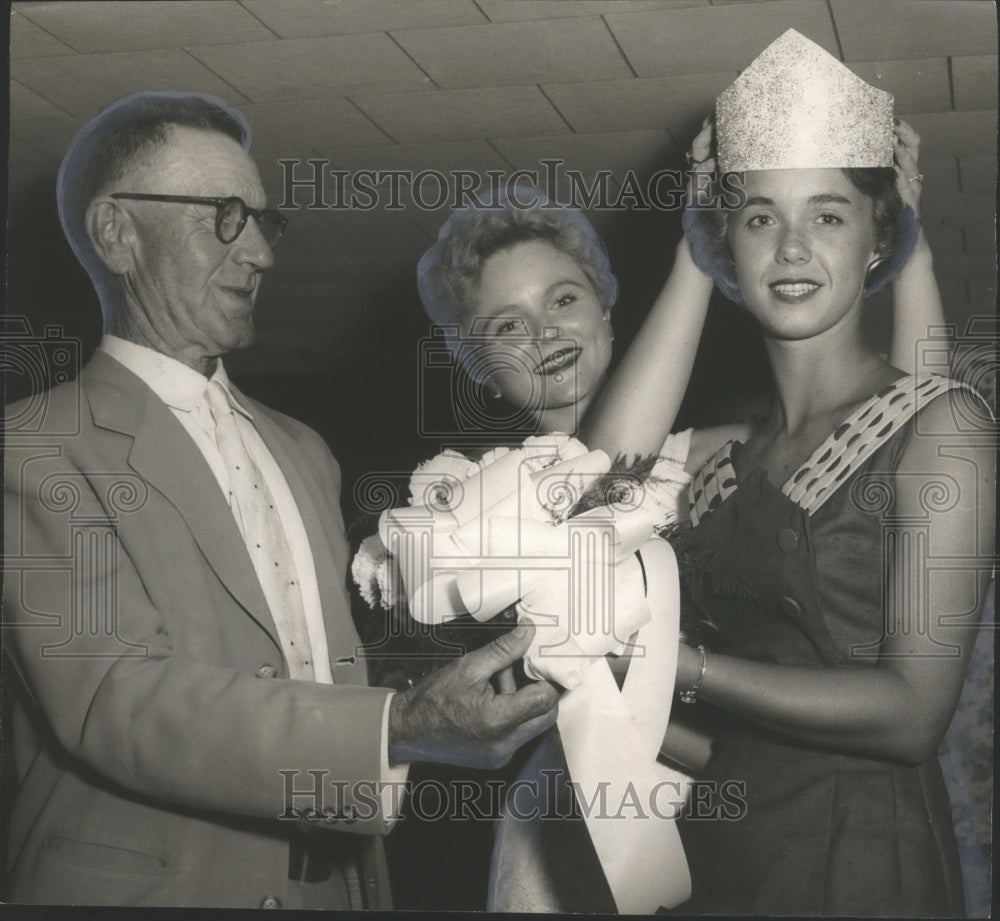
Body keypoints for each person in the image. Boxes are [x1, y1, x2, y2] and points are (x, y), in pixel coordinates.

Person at [1, 91, 559, 909]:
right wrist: (399, 726)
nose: (260, 252)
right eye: (225, 216)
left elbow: (320, 668)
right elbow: (120, 701)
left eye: (266, 221)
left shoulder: (305, 449)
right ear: (116, 232)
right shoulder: (33, 447)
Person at [401, 103, 942, 911]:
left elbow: (891, 429)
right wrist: (701, 242)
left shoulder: (712, 457)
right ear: (477, 367)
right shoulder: (474, 512)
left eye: (563, 300)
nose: (543, 332)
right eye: (506, 325)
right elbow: (599, 484)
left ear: (610, 312)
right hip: (592, 823)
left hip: (744, 803)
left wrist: (906, 240)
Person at [589, 30, 995, 916]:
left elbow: (911, 712)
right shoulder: (730, 453)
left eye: (830, 214)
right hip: (720, 859)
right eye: (760, 217)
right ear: (726, 240)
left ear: (876, 240)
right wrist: (692, 260)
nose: (793, 246)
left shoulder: (944, 428)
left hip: (864, 866)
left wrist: (678, 663)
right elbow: (590, 489)